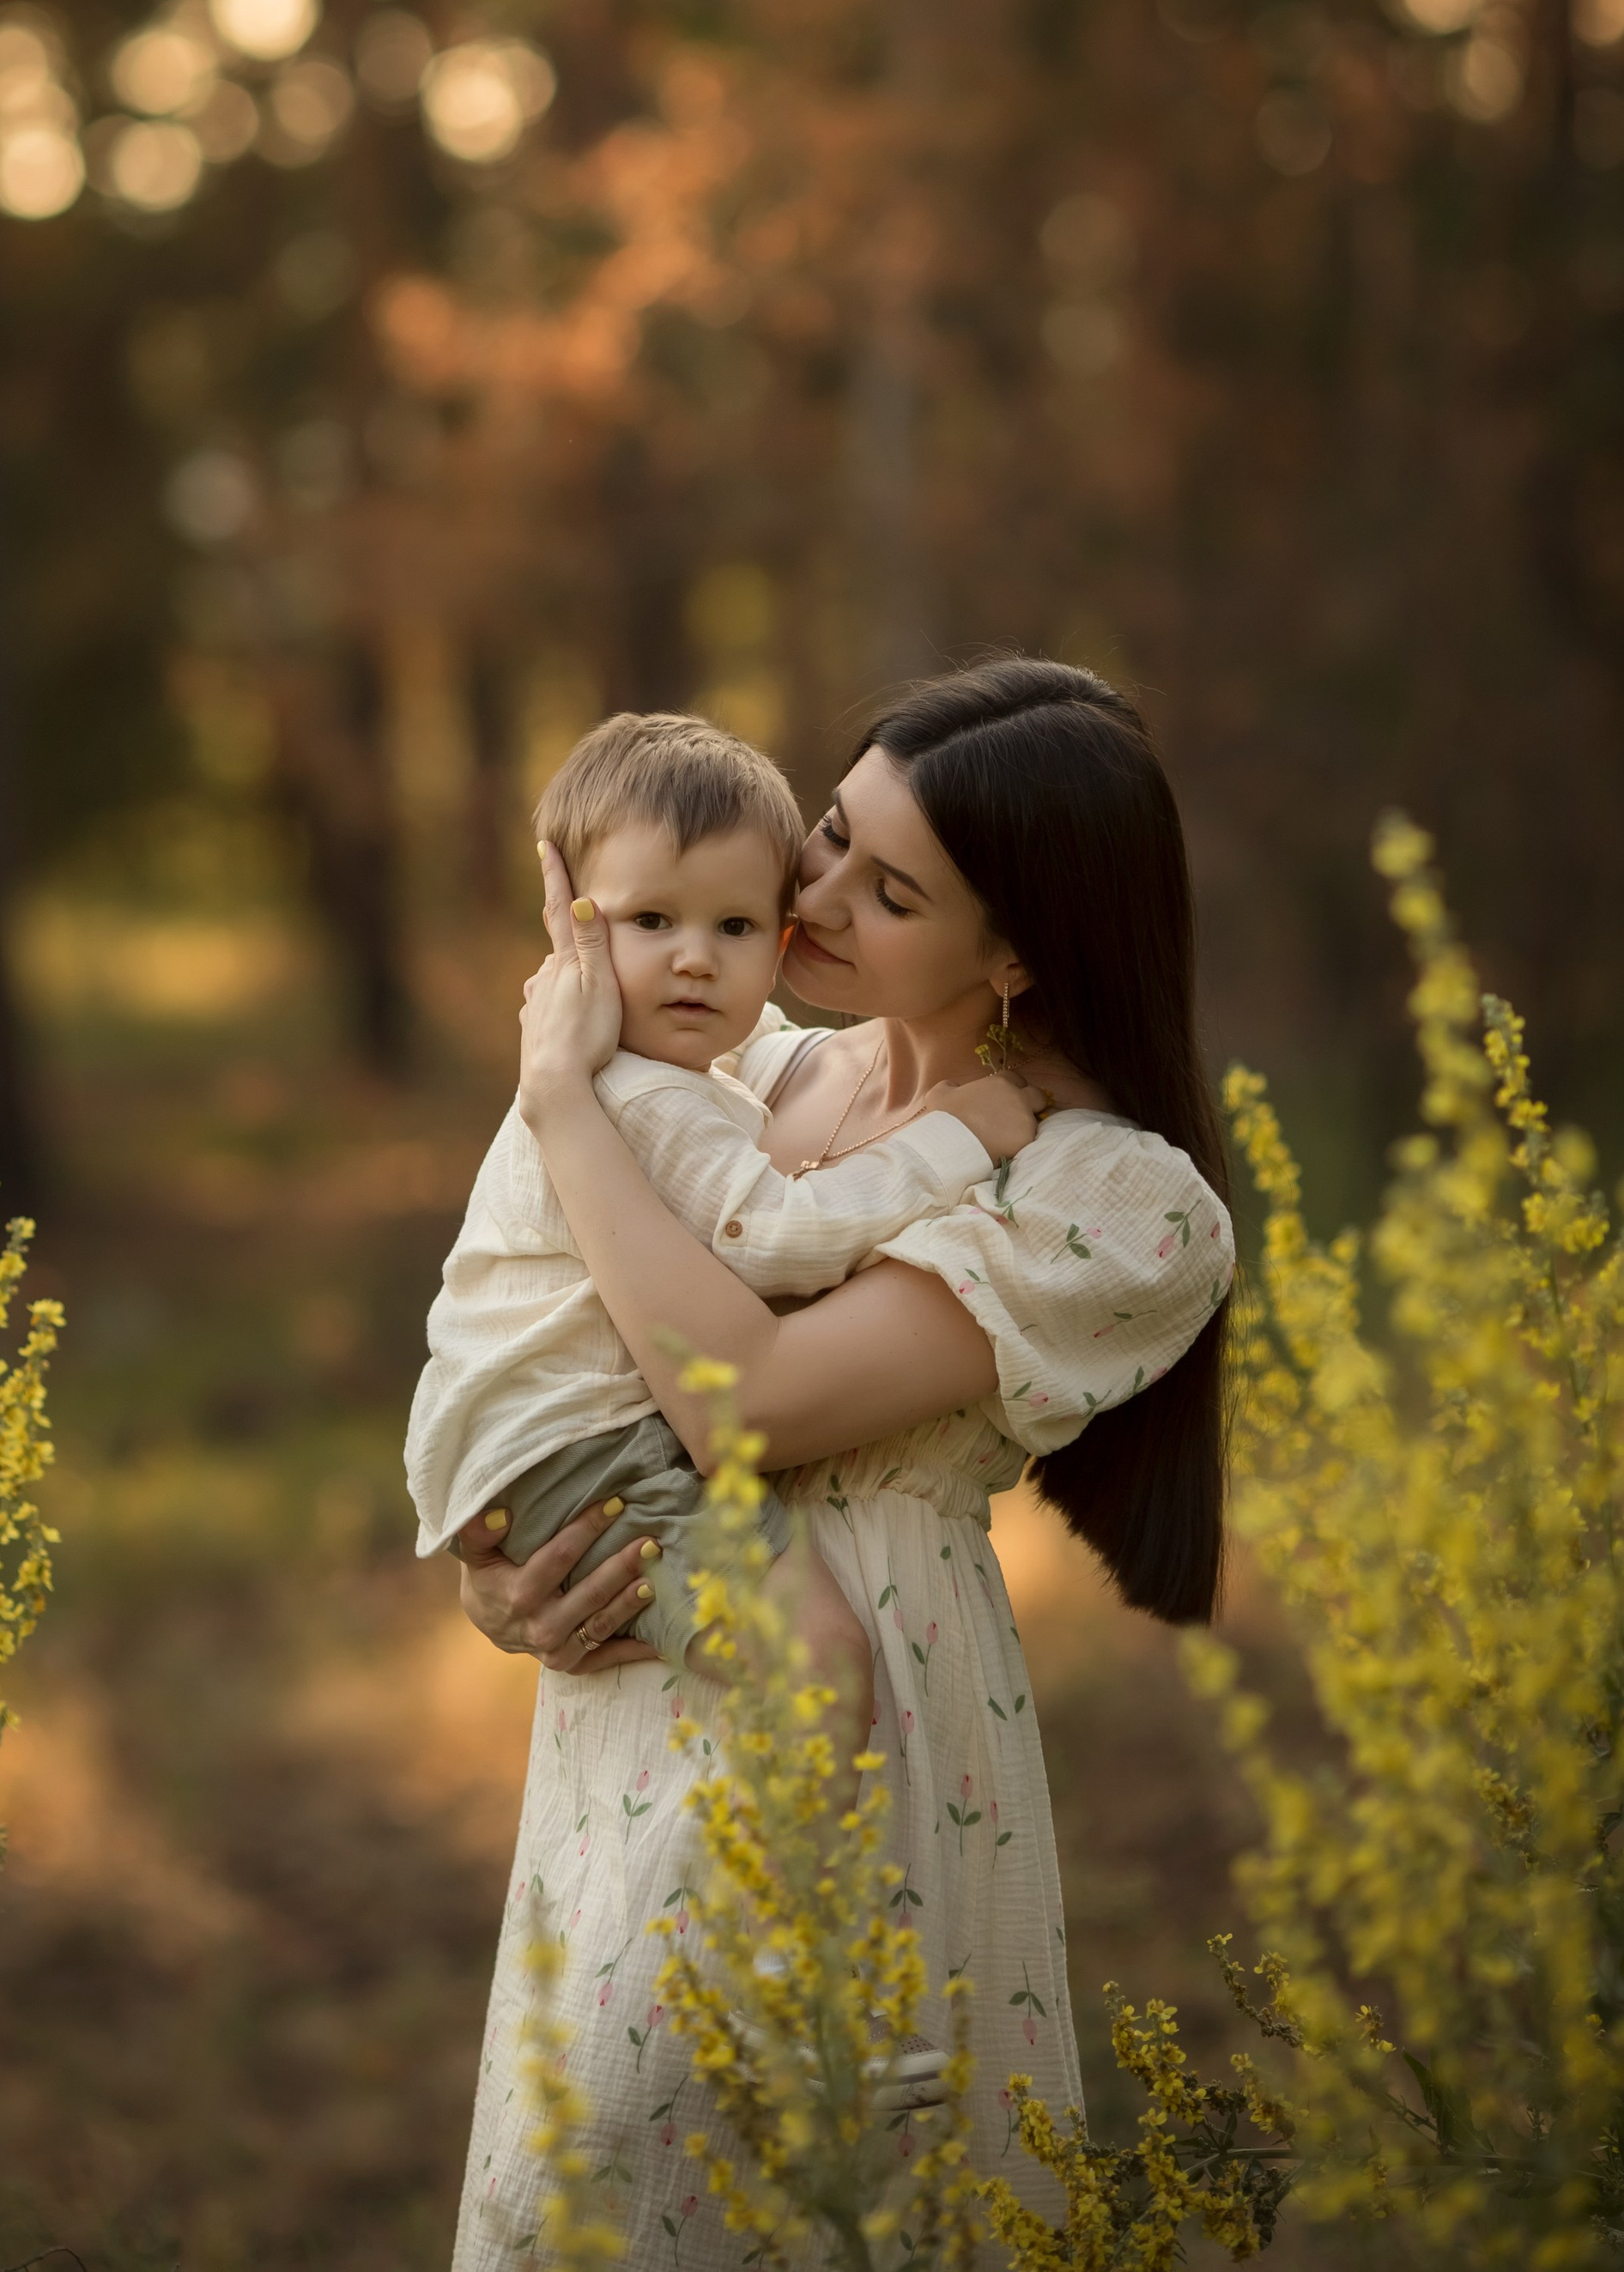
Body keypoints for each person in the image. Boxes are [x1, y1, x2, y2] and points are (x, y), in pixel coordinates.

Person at [445, 659, 1237, 2265]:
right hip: (641, 1691)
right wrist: (506, 1576)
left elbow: (746, 1409)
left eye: (885, 889)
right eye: (823, 835)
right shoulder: (752, 1074)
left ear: (1013, 951)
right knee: (593, 2176)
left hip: (861, 1722)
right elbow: (575, 1365)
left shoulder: (1116, 1203)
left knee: (820, 2178)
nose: (802, 898)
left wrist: (559, 1099)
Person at [406, 710, 1025, 1746]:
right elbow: (773, 1232)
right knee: (815, 1661)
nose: (694, 960)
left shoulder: (697, 1078)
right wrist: (954, 1140)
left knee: (796, 1660)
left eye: (733, 928)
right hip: (583, 1452)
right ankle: (816, 1897)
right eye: (652, 922)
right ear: (574, 923)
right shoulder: (645, 1097)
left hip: (550, 1445)